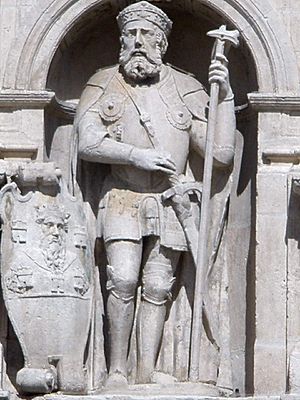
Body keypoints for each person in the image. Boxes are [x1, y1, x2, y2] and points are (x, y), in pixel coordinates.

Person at [74, 0, 236, 387]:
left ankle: (146, 372)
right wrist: (137, 156)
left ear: (162, 42)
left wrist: (226, 97)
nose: (138, 42)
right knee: (123, 279)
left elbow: (220, 154)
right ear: (121, 41)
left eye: (147, 35)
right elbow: (86, 142)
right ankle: (116, 370)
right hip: (122, 196)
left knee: (159, 286)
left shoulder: (187, 87)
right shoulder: (104, 81)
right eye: (130, 35)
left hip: (170, 201)